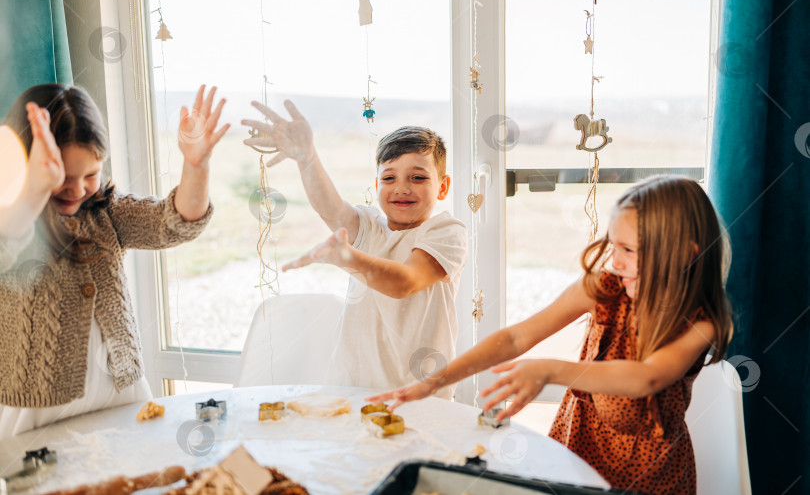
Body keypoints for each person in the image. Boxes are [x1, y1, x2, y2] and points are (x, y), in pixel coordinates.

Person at [369, 175, 734, 495]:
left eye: (628, 250)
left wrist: (550, 369)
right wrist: (436, 381)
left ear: (685, 255)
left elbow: (646, 377)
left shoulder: (701, 323)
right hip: (578, 446)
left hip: (651, 476)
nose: (615, 261)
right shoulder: (604, 289)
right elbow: (515, 339)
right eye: (613, 246)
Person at [0, 83, 229, 437]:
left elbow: (174, 223)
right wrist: (32, 192)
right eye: (61, 177)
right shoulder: (14, 222)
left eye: (90, 175)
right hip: (36, 412)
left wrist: (195, 166)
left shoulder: (108, 214)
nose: (77, 190)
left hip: (122, 398)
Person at [242, 102, 467, 398]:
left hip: (420, 397)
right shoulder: (368, 225)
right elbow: (329, 207)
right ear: (376, 184)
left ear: (443, 186)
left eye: (418, 177)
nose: (401, 187)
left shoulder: (446, 232)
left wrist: (348, 256)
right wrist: (307, 157)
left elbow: (404, 282)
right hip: (350, 389)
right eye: (389, 178)